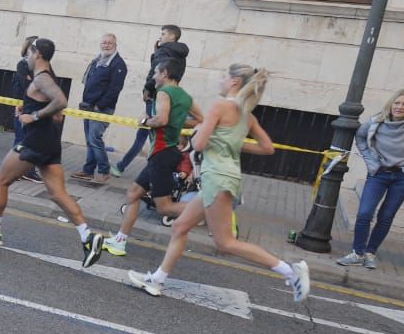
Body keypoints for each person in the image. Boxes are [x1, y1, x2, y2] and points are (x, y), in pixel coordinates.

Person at [126, 64, 311, 302]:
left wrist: (201, 132)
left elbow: (200, 144)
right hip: (226, 177)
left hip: (217, 178)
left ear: (234, 82)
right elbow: (268, 148)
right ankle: (157, 280)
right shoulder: (247, 115)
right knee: (180, 226)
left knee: (225, 243)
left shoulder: (219, 106)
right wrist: (229, 142)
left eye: (224, 76)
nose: (220, 80)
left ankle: (290, 270)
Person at [0, 38, 106, 266]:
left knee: (1, 181)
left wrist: (32, 116)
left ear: (38, 54)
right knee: (58, 193)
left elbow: (60, 102)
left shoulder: (42, 78)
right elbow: (56, 114)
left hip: (35, 142)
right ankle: (88, 236)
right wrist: (30, 108)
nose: (28, 56)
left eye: (31, 52)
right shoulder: (47, 77)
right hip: (50, 142)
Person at [103, 56, 202, 258]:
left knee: (164, 207)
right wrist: (179, 122)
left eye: (156, 72)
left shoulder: (164, 92)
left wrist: (144, 120)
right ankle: (120, 241)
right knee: (133, 194)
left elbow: (161, 119)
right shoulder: (185, 96)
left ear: (165, 74)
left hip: (162, 153)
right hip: (166, 152)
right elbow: (201, 119)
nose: (154, 76)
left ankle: (209, 210)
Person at [336, 89, 404, 270]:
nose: (400, 107)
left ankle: (370, 252)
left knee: (386, 216)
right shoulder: (376, 121)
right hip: (379, 174)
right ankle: (357, 252)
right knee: (364, 213)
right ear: (391, 104)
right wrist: (370, 161)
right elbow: (360, 137)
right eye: (397, 103)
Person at [117, 25, 191, 172]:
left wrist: (148, 88)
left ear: (172, 37)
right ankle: (122, 166)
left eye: (163, 34)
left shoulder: (164, 51)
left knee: (150, 133)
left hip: (156, 94)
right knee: (147, 133)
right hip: (172, 92)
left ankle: (139, 168)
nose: (160, 37)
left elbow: (157, 71)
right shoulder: (180, 54)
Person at [73, 32, 128, 182]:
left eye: (109, 43)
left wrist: (100, 105)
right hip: (88, 106)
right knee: (90, 140)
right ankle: (88, 170)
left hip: (102, 109)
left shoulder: (118, 64)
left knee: (94, 138)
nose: (106, 45)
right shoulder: (98, 60)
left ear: (115, 45)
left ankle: (104, 170)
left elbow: (114, 89)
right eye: (104, 42)